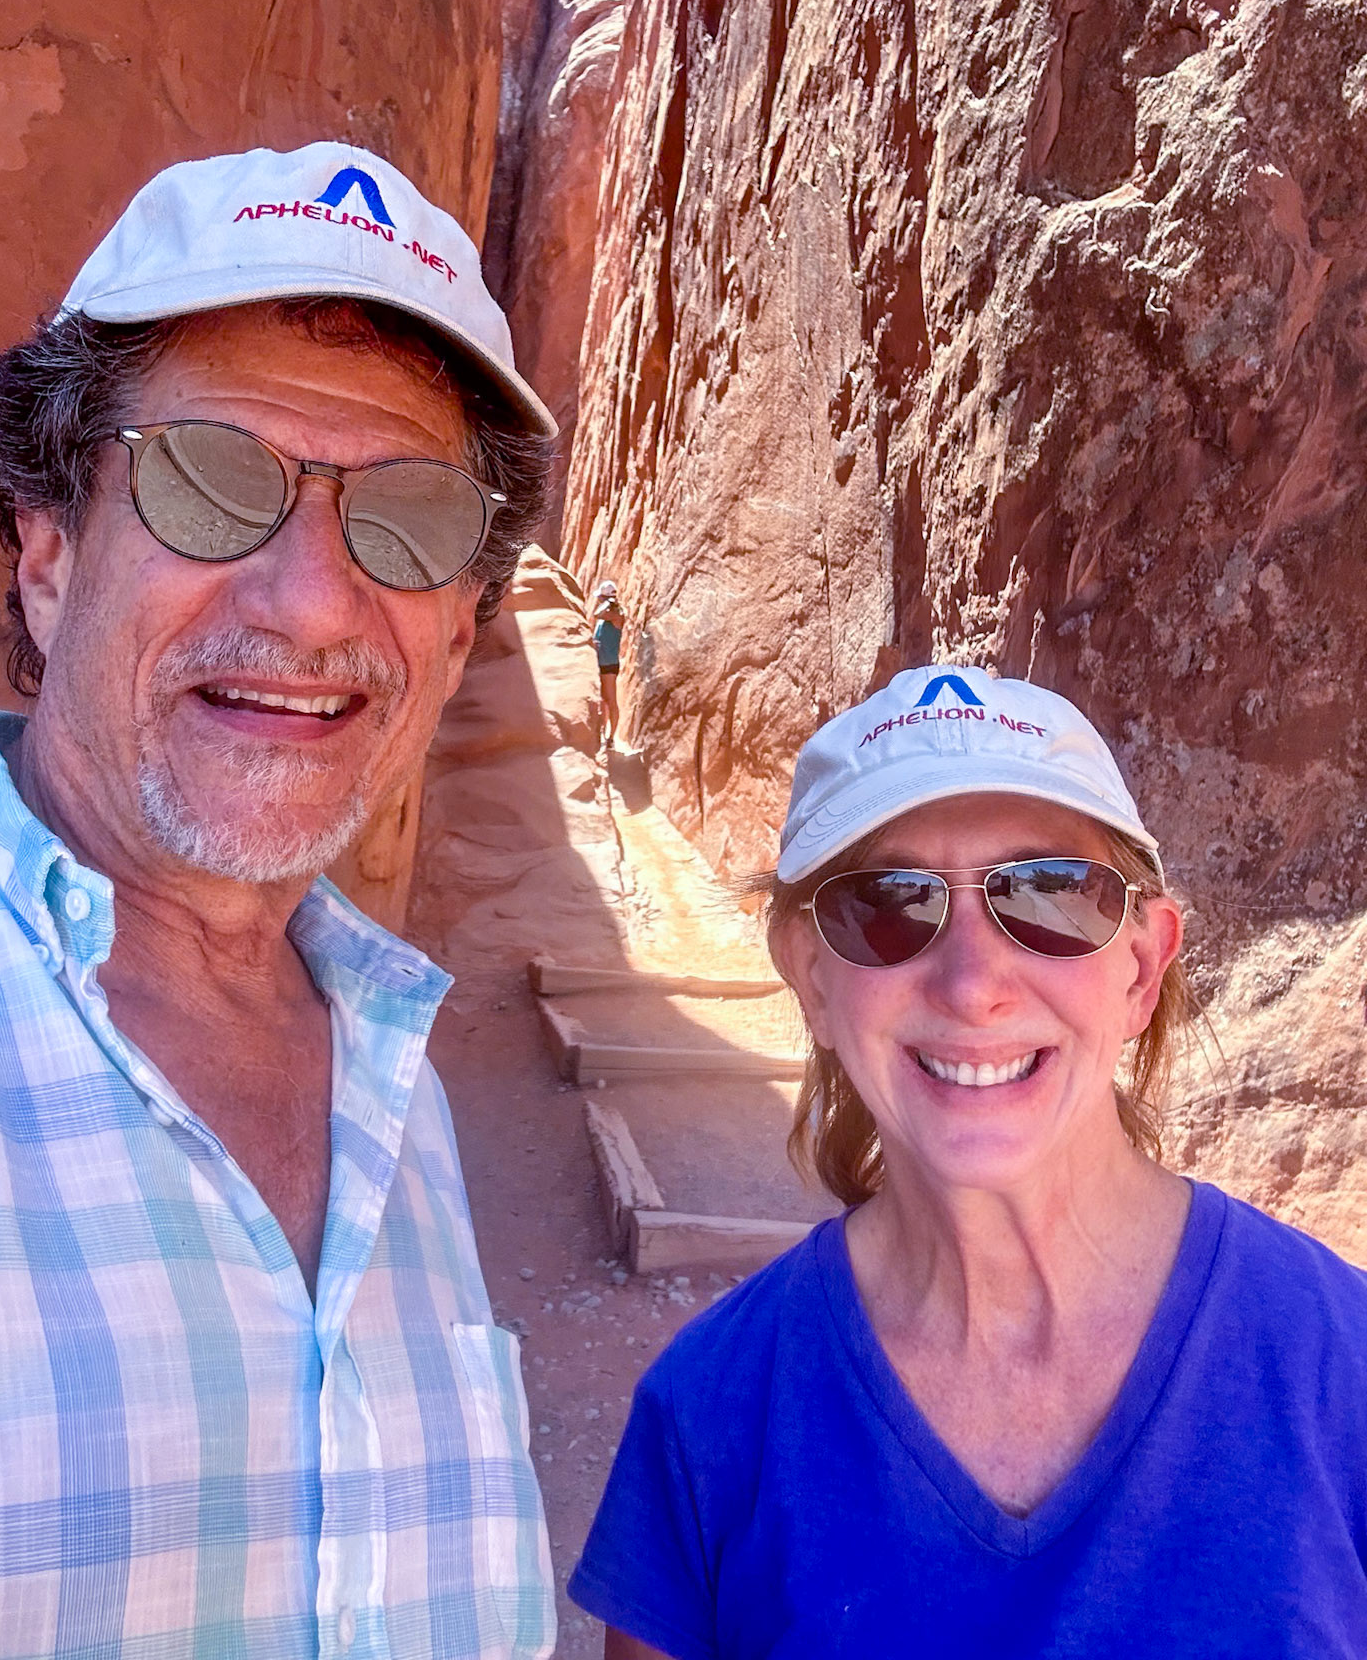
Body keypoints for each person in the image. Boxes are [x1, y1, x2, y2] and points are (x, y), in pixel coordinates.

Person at [0, 143, 560, 1658]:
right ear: (46, 548)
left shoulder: (395, 1094)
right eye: (211, 479)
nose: (309, 601)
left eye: (410, 518)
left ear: (461, 626)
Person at [572, 665, 1367, 1657]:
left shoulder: (1343, 1369)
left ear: (1142, 965)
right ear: (810, 977)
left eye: (1048, 892)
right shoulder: (707, 1414)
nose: (973, 981)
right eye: (888, 903)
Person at [593, 579, 625, 747]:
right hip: (600, 662)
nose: (598, 600)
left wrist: (610, 602)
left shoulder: (616, 614)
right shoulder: (605, 616)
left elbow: (598, 614)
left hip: (609, 664)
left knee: (610, 700)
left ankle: (611, 737)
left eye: (601, 598)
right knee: (603, 700)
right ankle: (602, 731)